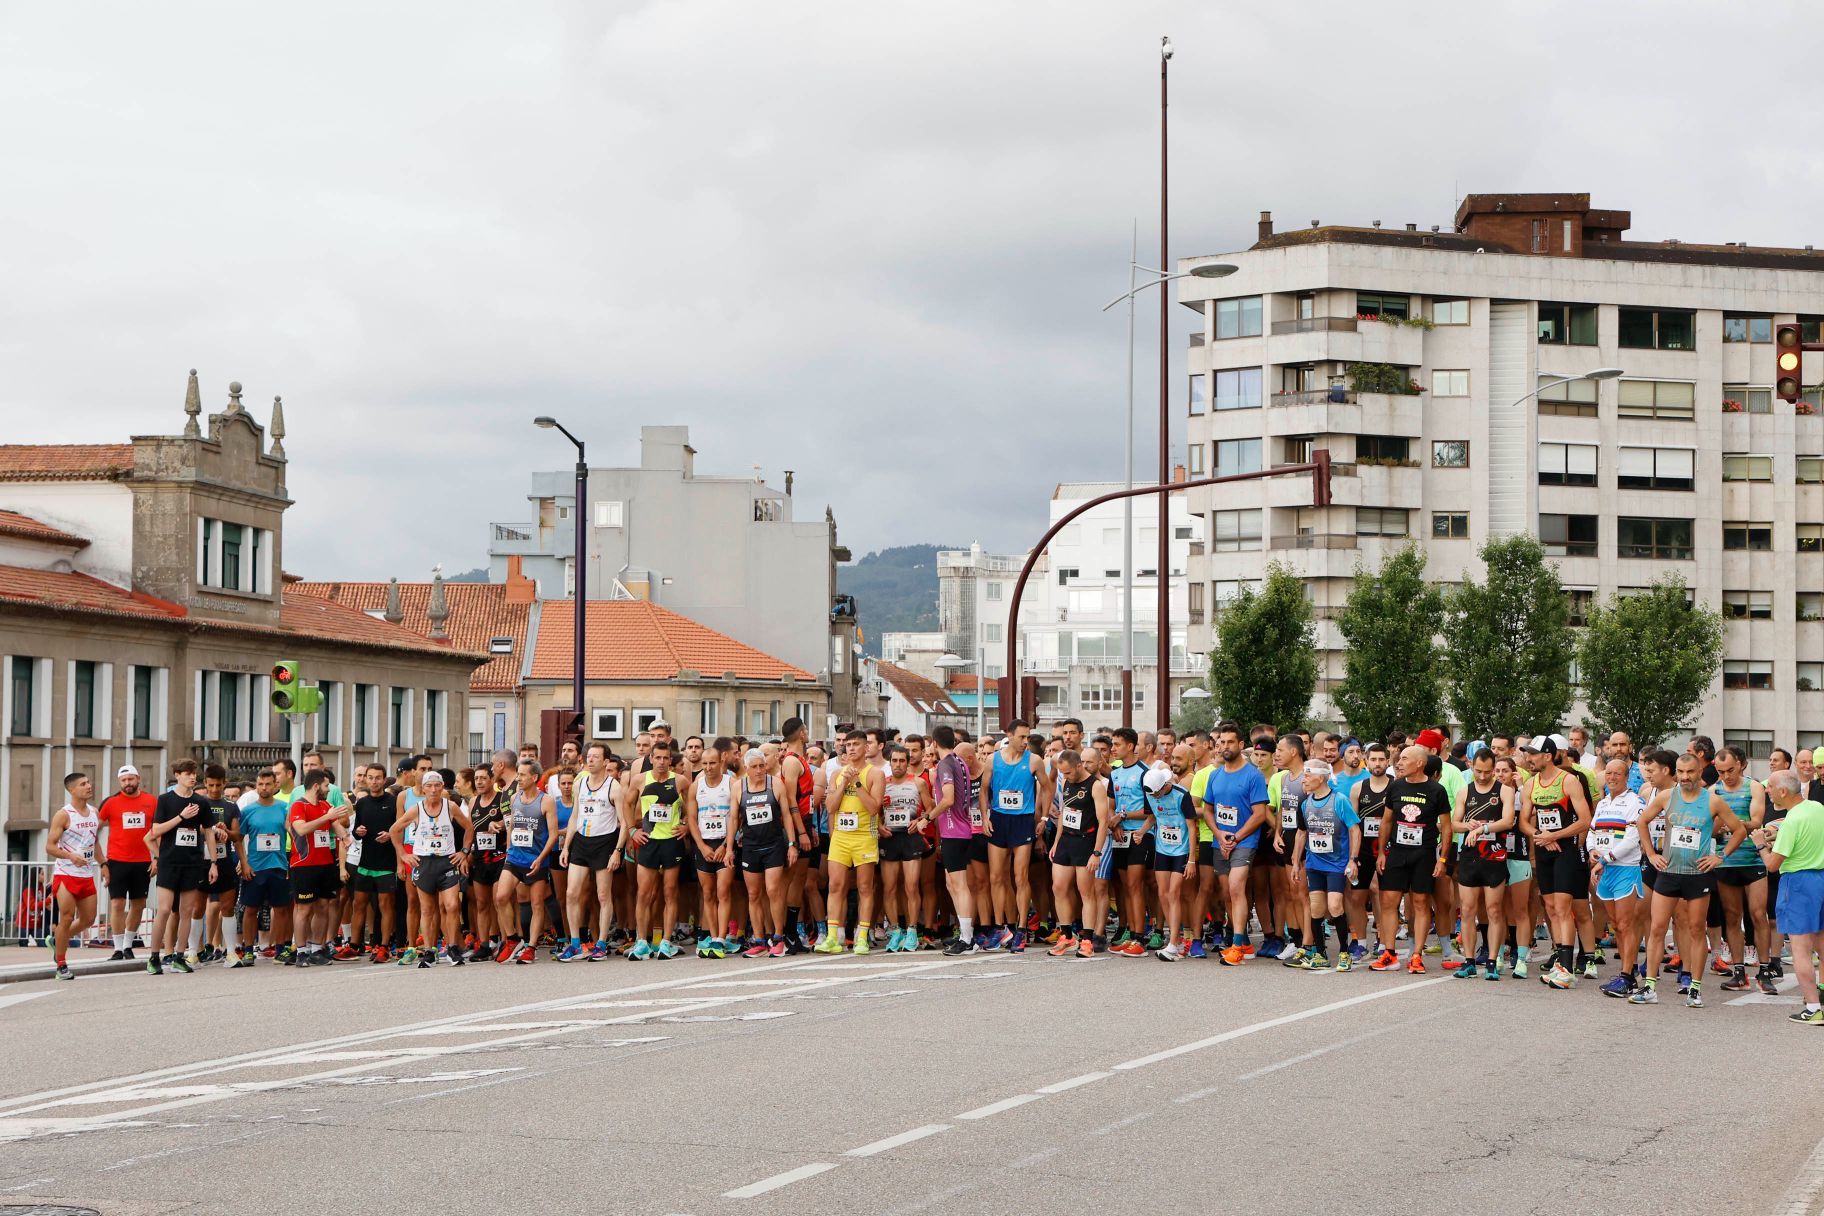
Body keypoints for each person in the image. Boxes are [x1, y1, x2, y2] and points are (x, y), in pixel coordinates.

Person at [1632, 753, 1748, 1008]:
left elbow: (1739, 830)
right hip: (1670, 872)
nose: (1685, 777)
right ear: (1676, 772)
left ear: (1700, 772)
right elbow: (1642, 821)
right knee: (1657, 929)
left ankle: (1694, 989)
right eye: (1681, 772)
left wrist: (1720, 857)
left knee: (1697, 930)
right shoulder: (1667, 796)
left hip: (1698, 874)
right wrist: (1651, 854)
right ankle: (1649, 986)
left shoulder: (1712, 801)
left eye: (1690, 772)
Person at [1519, 734, 1595, 990]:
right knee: (1550, 908)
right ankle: (1560, 962)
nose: (1528, 759)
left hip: (1566, 850)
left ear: (1548, 756)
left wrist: (1556, 835)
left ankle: (1566, 968)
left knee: (1563, 908)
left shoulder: (1569, 781)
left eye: (1533, 754)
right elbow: (1523, 822)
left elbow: (1585, 820)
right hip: (1544, 849)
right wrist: (1540, 835)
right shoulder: (1531, 784)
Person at [1751, 773, 1824, 1023]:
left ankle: (1813, 1009)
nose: (1767, 791)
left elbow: (1772, 864)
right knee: (1822, 947)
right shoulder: (1816, 807)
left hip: (1798, 883)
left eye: (1770, 787)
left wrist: (1761, 843)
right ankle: (1819, 1000)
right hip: (1821, 877)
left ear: (1783, 792)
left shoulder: (1792, 821)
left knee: (1801, 950)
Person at [1372, 746, 1450, 973]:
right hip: (1397, 852)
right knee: (1388, 901)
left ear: (1419, 763)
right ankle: (1389, 953)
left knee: (1420, 903)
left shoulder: (1436, 790)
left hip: (1423, 854)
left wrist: (1442, 859)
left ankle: (1416, 955)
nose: (1399, 762)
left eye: (1405, 759)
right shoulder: (1395, 786)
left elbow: (1446, 828)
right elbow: (1386, 821)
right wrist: (1380, 853)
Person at [388, 769, 471, 966]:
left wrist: (464, 851)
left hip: (446, 861)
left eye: (437, 785)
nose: (433, 789)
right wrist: (404, 855)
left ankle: (452, 947)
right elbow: (394, 830)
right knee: (427, 910)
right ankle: (429, 950)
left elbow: (469, 827)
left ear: (442, 787)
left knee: (452, 906)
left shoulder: (450, 806)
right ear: (423, 789)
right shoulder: (416, 809)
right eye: (429, 786)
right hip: (424, 862)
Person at [1205, 722, 1271, 966]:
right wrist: (1220, 834)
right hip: (1220, 841)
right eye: (1221, 742)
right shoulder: (1215, 775)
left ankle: (1237, 945)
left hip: (1244, 842)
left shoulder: (1253, 775)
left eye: (1230, 742)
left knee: (1236, 888)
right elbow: (1208, 810)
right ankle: (1241, 940)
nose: (1224, 746)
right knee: (1227, 894)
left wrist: (1237, 837)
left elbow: (1260, 814)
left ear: (1241, 745)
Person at [145, 760, 219, 974]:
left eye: (194, 773)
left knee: (187, 911)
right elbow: (156, 830)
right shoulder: (166, 800)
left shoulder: (201, 802)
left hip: (193, 862)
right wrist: (181, 817)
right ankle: (154, 957)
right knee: (165, 909)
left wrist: (213, 863)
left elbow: (208, 833)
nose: (192, 777)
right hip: (169, 861)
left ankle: (179, 956)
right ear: (177, 775)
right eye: (187, 773)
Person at [979, 720, 1047, 952]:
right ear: (1009, 735)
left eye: (1028, 737)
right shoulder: (993, 759)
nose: (1025, 741)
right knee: (996, 877)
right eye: (1021, 737)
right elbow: (984, 789)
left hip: (1023, 821)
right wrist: (985, 816)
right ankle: (1000, 927)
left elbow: (1047, 787)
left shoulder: (1034, 760)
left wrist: (1044, 817)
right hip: (998, 819)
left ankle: (1021, 928)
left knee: (1021, 877)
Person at [1709, 745, 1772, 994]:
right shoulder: (1713, 790)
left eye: (1731, 770)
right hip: (1726, 860)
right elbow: (1710, 829)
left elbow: (1757, 820)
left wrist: (1733, 824)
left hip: (1753, 859)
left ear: (1742, 765)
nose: (1726, 776)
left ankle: (1765, 971)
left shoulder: (1753, 786)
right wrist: (1719, 827)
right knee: (1732, 917)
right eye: (1721, 771)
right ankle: (1738, 972)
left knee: (1758, 915)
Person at [1287, 759, 1360, 971]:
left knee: (1335, 905)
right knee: (1317, 908)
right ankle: (1320, 954)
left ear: (1320, 777)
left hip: (1337, 864)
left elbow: (1355, 830)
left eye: (1308, 775)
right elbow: (1302, 833)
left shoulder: (1340, 800)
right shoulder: (1305, 803)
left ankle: (1345, 952)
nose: (1304, 779)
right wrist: (1295, 862)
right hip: (1314, 863)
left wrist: (1353, 860)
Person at [1447, 749, 1513, 981]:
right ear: (1471, 767)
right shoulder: (1465, 791)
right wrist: (1468, 826)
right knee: (1467, 909)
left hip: (1494, 856)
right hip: (1469, 856)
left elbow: (1508, 821)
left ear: (1494, 768)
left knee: (1494, 909)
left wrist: (1483, 828)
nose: (1483, 776)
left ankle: (1493, 961)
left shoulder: (1505, 790)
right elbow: (1454, 824)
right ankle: (1469, 961)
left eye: (1488, 772)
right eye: (1478, 771)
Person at [817, 730, 885, 955]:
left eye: (856, 744)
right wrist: (845, 780)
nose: (852, 748)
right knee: (835, 886)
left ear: (866, 748)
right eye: (848, 745)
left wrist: (856, 783)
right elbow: (830, 807)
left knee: (865, 887)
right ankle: (832, 936)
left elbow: (874, 807)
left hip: (864, 836)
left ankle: (862, 936)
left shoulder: (875, 773)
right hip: (841, 837)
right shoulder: (837, 773)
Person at [558, 743, 627, 962]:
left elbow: (624, 823)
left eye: (596, 757)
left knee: (603, 895)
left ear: (606, 762)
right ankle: (576, 943)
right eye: (589, 756)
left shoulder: (613, 786)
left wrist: (617, 851)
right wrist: (567, 846)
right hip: (581, 841)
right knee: (571, 893)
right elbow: (574, 816)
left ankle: (601, 944)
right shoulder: (580, 784)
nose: (591, 760)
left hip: (604, 842)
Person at [1590, 758, 1648, 998]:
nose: (1612, 777)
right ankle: (1629, 971)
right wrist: (1592, 851)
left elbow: (1633, 839)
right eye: (1609, 773)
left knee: (1626, 924)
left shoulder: (1635, 802)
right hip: (1605, 870)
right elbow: (1592, 832)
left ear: (1626, 777)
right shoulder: (1603, 803)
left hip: (1624, 867)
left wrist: (1604, 859)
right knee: (1615, 925)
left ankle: (1626, 977)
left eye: (1617, 774)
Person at [626, 742, 687, 959]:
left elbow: (692, 808)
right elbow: (627, 804)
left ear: (671, 760)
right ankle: (642, 941)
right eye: (658, 758)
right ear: (651, 758)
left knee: (670, 892)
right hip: (648, 841)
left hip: (671, 841)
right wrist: (632, 830)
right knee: (644, 893)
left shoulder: (680, 781)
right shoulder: (640, 780)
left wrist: (687, 825)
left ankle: (666, 942)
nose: (661, 762)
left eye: (665, 758)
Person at [496, 759, 559, 964]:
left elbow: (553, 835)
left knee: (537, 904)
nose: (518, 779)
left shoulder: (546, 801)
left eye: (522, 775)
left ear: (534, 777)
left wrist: (541, 859)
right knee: (501, 897)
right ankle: (513, 939)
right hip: (514, 857)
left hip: (536, 860)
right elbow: (512, 827)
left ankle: (531, 946)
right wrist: (508, 850)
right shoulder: (515, 798)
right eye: (518, 775)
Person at [287, 769, 350, 967]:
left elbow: (337, 827)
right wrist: (327, 817)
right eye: (325, 786)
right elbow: (301, 829)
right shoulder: (299, 806)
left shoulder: (325, 805)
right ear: (316, 786)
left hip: (325, 863)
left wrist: (346, 836)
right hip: (304, 865)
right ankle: (301, 951)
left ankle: (317, 949)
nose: (327, 790)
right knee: (304, 909)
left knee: (324, 906)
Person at [1144, 756, 1203, 962]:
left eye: (1158, 792)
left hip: (1181, 850)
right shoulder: (1150, 792)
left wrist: (1192, 860)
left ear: (1166, 785)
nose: (1156, 796)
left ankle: (1172, 942)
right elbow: (1152, 817)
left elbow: (1191, 826)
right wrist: (1142, 832)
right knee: (1162, 893)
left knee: (1174, 893)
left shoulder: (1181, 795)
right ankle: (1176, 941)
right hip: (1162, 848)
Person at [683, 738, 738, 958]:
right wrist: (702, 846)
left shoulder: (731, 783)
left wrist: (727, 845)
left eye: (712, 763)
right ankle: (713, 935)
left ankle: (720, 939)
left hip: (724, 843)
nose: (708, 768)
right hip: (704, 844)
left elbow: (736, 818)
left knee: (723, 891)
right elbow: (692, 819)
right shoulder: (697, 785)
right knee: (707, 894)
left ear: (720, 761)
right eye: (704, 764)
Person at [930, 725, 981, 956]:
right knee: (952, 884)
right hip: (958, 830)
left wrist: (926, 817)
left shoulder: (945, 764)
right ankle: (964, 932)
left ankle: (968, 938)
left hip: (955, 830)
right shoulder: (960, 761)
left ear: (933, 743)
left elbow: (948, 799)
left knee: (960, 886)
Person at [879, 743, 934, 952]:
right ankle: (895, 930)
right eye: (894, 761)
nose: (898, 765)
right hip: (890, 838)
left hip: (911, 838)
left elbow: (930, 810)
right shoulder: (882, 783)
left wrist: (920, 820)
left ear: (908, 762)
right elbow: (874, 811)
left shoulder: (918, 783)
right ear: (890, 762)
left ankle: (912, 930)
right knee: (890, 887)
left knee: (911, 886)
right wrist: (880, 826)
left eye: (902, 760)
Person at [46, 773, 101, 980]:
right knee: (67, 917)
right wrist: (71, 856)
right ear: (72, 790)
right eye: (83, 784)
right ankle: (61, 964)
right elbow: (50, 846)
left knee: (88, 919)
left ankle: (59, 938)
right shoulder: (63, 814)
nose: (89, 786)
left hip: (86, 874)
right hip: (66, 873)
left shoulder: (94, 812)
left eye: (88, 782)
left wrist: (103, 864)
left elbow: (94, 843)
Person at [97, 764, 156, 959]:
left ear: (138, 779)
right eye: (123, 780)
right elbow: (93, 830)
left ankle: (128, 946)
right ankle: (117, 947)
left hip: (143, 861)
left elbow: (159, 832)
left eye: (131, 779)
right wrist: (102, 863)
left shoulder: (151, 801)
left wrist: (158, 858)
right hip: (117, 860)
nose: (127, 783)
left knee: (139, 904)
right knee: (117, 904)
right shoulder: (111, 803)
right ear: (119, 782)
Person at [237, 769, 293, 965]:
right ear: (256, 785)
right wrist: (243, 863)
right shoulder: (247, 810)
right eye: (260, 784)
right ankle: (248, 950)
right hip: (255, 868)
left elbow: (294, 834)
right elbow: (238, 838)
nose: (264, 788)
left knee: (282, 909)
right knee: (251, 910)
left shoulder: (284, 808)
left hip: (278, 865)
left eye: (268, 784)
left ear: (275, 785)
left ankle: (280, 948)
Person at [346, 763, 401, 962]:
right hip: (365, 862)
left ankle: (384, 946)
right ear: (365, 779)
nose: (374, 781)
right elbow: (356, 831)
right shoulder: (361, 803)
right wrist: (357, 832)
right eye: (370, 777)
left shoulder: (394, 802)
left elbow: (400, 829)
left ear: (384, 780)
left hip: (387, 864)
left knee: (385, 905)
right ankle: (353, 945)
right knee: (358, 904)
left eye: (378, 778)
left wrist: (391, 834)